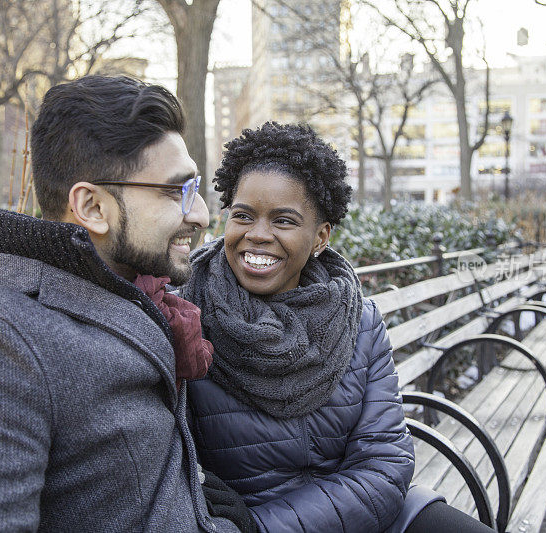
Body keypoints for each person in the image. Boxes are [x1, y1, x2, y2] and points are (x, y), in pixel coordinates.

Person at [0, 76, 252, 532]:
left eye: (195, 188)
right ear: (91, 207)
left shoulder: (137, 294)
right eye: (175, 191)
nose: (201, 215)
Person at [178, 122, 495, 533]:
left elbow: (384, 466)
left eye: (284, 221)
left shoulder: (359, 321)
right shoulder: (185, 312)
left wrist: (266, 526)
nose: (257, 235)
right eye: (243, 215)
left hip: (362, 515)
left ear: (320, 237)